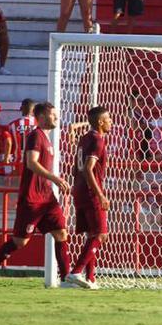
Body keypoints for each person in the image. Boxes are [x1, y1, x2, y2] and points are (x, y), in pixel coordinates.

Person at [0, 102, 72, 287]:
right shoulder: (35, 136)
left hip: (47, 198)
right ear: (43, 116)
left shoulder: (46, 138)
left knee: (61, 233)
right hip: (32, 197)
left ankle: (66, 279)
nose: (56, 117)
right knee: (20, 241)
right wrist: (55, 178)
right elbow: (31, 162)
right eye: (53, 114)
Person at [64, 105, 111, 289]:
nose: (111, 122)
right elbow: (88, 169)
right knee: (100, 234)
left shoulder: (84, 138)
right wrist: (100, 195)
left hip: (79, 190)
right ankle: (76, 272)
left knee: (92, 234)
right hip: (91, 192)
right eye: (108, 119)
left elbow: (79, 167)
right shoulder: (98, 141)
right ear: (100, 122)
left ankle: (90, 278)